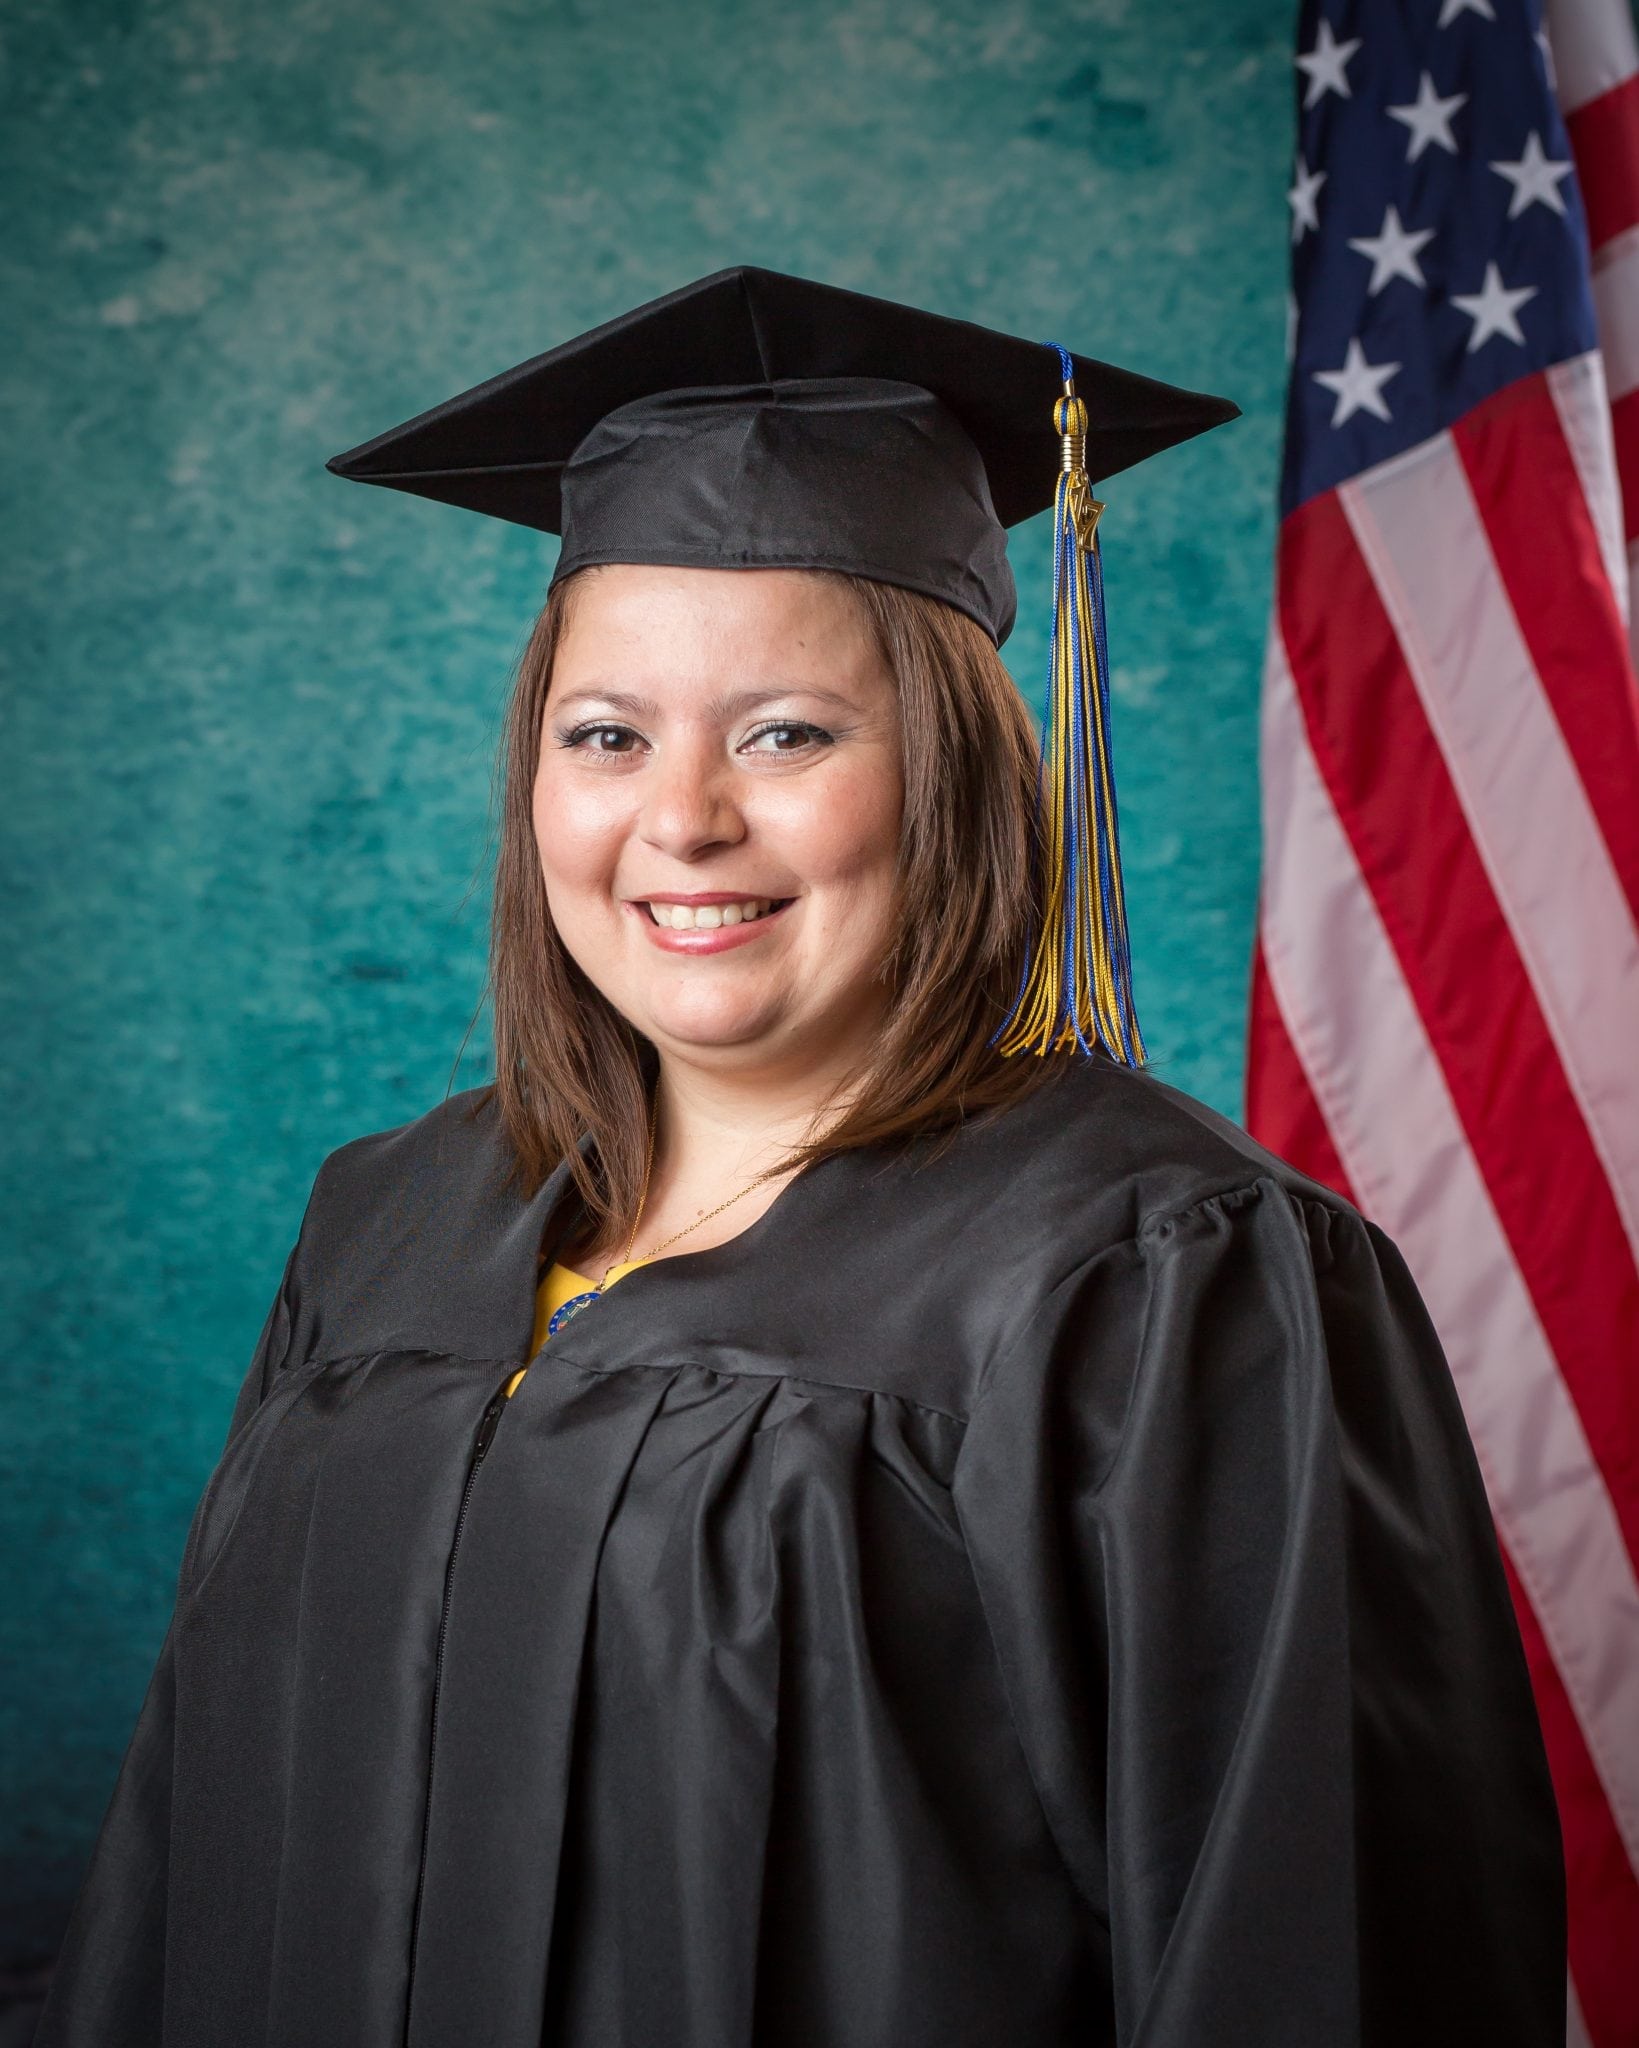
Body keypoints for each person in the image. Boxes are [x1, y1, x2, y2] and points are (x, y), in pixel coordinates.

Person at [36, 268, 1564, 2048]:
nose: (681, 818)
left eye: (787, 734)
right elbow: (176, 1860)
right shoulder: (384, 1220)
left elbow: (1322, 1957)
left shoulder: (1166, 1271)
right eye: (607, 736)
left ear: (956, 773)